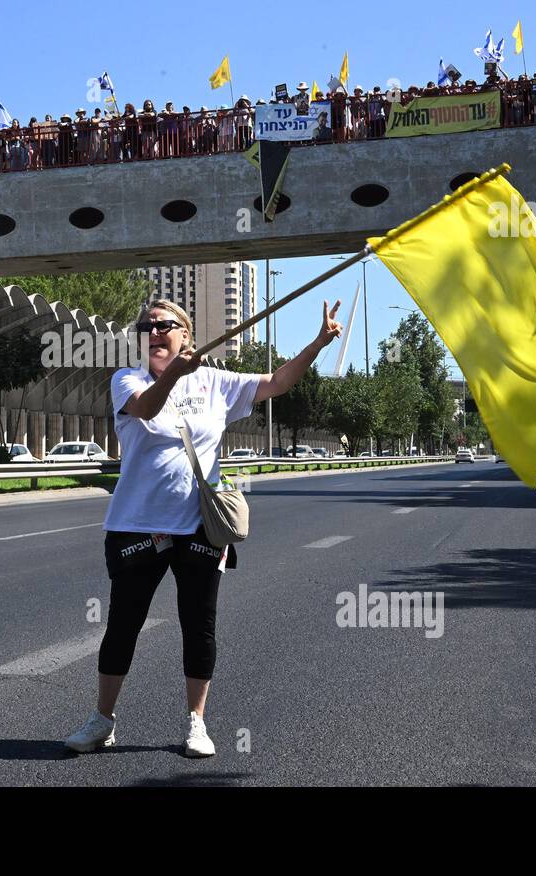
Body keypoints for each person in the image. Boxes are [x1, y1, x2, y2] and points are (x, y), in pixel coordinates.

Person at [64, 297, 344, 757]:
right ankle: (103, 720)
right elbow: (148, 410)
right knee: (122, 627)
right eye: (146, 327)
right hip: (136, 527)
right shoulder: (127, 380)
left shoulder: (217, 382)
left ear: (187, 335)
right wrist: (175, 373)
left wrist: (317, 343)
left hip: (199, 528)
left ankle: (197, 722)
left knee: (199, 626)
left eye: (164, 325)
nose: (153, 332)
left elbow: (275, 383)